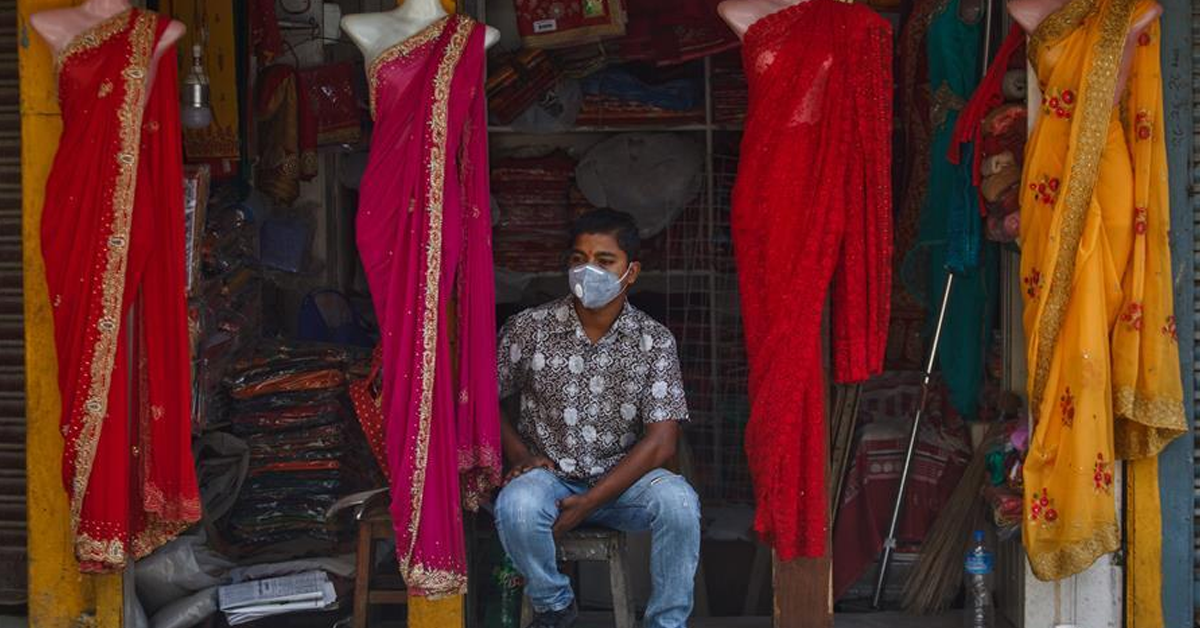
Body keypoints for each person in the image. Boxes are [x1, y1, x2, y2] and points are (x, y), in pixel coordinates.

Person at [494, 209, 701, 628]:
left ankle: (666, 623)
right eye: (578, 258)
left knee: (679, 503)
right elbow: (481, 402)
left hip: (623, 484)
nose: (588, 270)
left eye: (604, 261)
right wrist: (519, 455)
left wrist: (590, 501)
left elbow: (663, 442)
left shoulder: (653, 341)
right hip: (550, 479)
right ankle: (554, 606)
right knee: (515, 506)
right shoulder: (528, 328)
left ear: (631, 271)